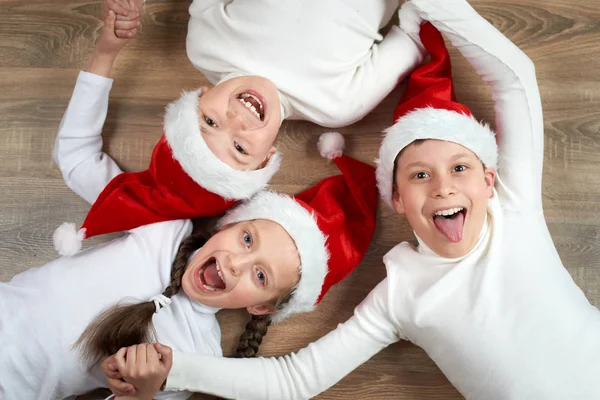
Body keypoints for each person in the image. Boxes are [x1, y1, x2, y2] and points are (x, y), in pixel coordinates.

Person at [102, 1, 600, 399]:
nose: (443, 187)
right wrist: (178, 369)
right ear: (399, 201)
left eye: (461, 169)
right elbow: (294, 380)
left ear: (489, 180)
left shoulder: (511, 207)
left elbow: (516, 77)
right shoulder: (400, 296)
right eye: (420, 175)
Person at [0, 11, 379, 400]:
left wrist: (142, 393)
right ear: (225, 227)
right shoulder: (163, 227)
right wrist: (105, 54)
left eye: (260, 277)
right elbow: (78, 159)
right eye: (247, 240)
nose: (235, 263)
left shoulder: (196, 357)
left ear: (262, 308)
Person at [105, 0, 426, 132]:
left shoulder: (204, 45)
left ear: (198, 97)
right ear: (266, 158)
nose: (235, 121)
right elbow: (414, 36)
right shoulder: (335, 106)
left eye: (211, 123)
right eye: (240, 147)